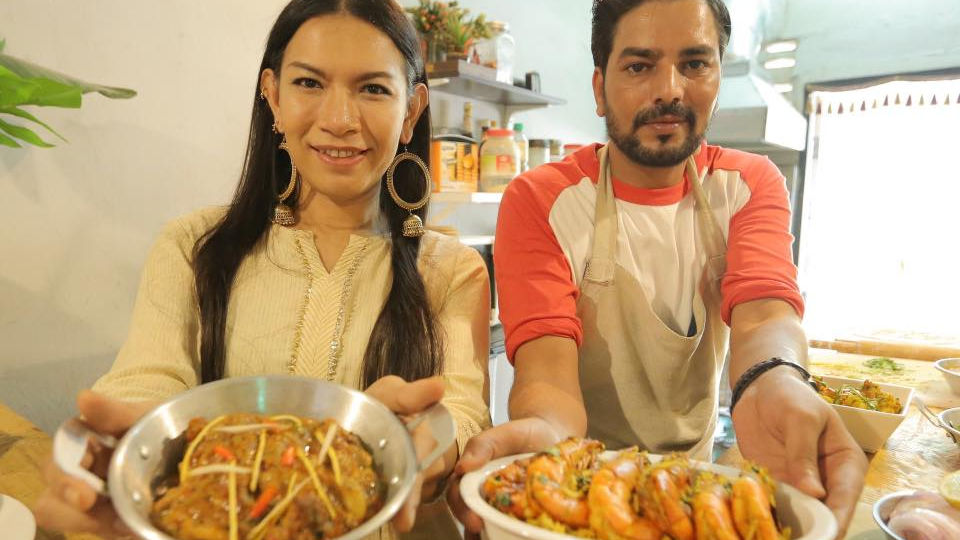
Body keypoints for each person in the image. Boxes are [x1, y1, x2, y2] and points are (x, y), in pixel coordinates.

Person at [33, 1, 491, 538]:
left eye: (373, 89)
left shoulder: (453, 270)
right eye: (309, 83)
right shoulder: (192, 247)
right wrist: (128, 450)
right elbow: (148, 379)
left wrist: (415, 441)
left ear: (411, 111)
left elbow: (458, 413)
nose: (339, 120)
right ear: (272, 95)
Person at [450, 0, 867, 538]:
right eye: (639, 65)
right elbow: (546, 371)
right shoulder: (541, 199)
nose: (670, 89)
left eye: (695, 63)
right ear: (600, 88)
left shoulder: (748, 185)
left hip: (693, 487)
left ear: (718, 74)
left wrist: (778, 379)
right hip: (579, 481)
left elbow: (765, 318)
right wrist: (545, 432)